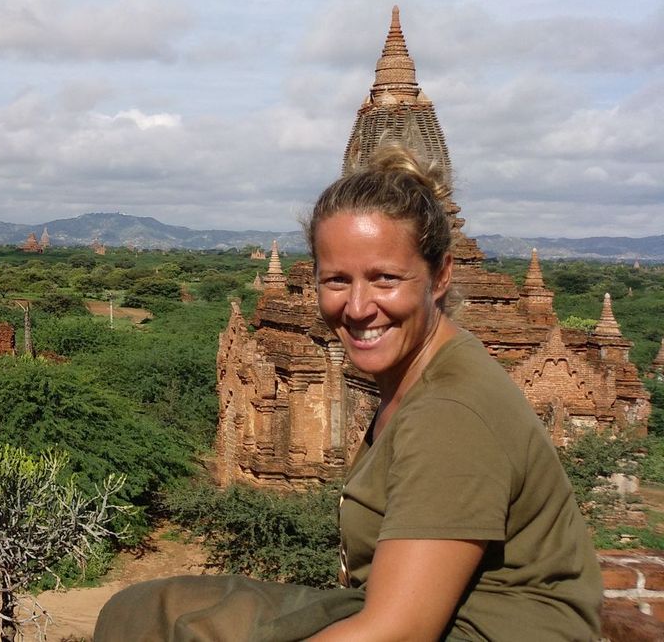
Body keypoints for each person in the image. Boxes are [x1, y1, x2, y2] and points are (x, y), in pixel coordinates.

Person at [94, 145, 601, 641]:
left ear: (441, 274)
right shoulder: (424, 370)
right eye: (337, 279)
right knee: (147, 609)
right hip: (418, 611)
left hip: (484, 631)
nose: (358, 307)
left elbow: (398, 631)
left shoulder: (450, 411)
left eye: (385, 278)